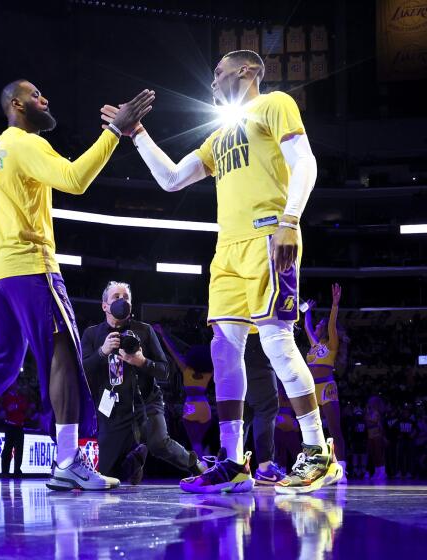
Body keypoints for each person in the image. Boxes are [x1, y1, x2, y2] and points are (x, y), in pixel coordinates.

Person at [103, 49, 342, 493]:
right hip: (227, 249)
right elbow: (172, 179)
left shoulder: (275, 104)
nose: (212, 80)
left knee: (275, 340)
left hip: (270, 235)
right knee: (223, 350)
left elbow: (305, 162)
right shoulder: (220, 134)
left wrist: (290, 220)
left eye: (218, 71)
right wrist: (135, 133)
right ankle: (233, 461)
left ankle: (318, 451)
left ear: (247, 70)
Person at [0, 80, 154, 491]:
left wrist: (4, 255)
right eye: (36, 95)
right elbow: (74, 179)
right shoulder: (24, 142)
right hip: (30, 266)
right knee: (64, 353)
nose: (45, 99)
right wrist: (114, 132)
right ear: (17, 104)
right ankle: (69, 461)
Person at [81, 282, 204, 485]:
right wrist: (102, 352)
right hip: (112, 410)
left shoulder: (144, 331)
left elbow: (166, 371)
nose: (122, 301)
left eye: (126, 297)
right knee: (107, 475)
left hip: (146, 402)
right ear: (104, 306)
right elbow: (83, 372)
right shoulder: (92, 334)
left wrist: (142, 362)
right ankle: (135, 461)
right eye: (116, 297)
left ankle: (196, 465)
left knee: (158, 443)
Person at [302, 283, 347, 478]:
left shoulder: (331, 344)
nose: (319, 326)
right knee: (314, 430)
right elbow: (307, 326)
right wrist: (308, 312)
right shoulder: (314, 345)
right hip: (312, 389)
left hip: (327, 388)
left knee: (335, 428)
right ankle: (318, 468)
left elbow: (330, 324)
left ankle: (343, 469)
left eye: (321, 325)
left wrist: (335, 304)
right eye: (318, 325)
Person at [154, 325, 212, 459]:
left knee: (195, 443)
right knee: (201, 442)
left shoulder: (186, 370)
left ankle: (200, 470)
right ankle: (206, 462)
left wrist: (163, 335)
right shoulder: (209, 373)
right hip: (205, 407)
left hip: (191, 407)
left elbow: (173, 352)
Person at [243, 330, 285, 485]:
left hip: (236, 349)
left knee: (241, 416)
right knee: (266, 409)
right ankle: (265, 468)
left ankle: (233, 466)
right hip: (257, 347)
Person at [0, 382, 29, 477]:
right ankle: (5, 471)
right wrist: (17, 406)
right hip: (10, 426)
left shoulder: (20, 397)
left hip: (19, 426)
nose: (17, 386)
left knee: (19, 450)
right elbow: (9, 408)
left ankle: (17, 471)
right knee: (8, 449)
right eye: (15, 384)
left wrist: (16, 406)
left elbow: (24, 407)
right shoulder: (7, 397)